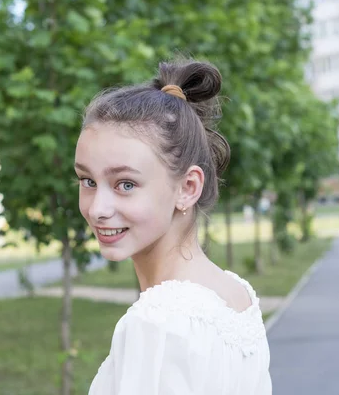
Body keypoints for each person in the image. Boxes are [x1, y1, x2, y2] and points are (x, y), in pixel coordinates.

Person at [75, 59, 271, 395]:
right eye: (87, 180)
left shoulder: (159, 322)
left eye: (125, 184)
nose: (97, 209)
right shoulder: (235, 294)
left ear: (188, 188)